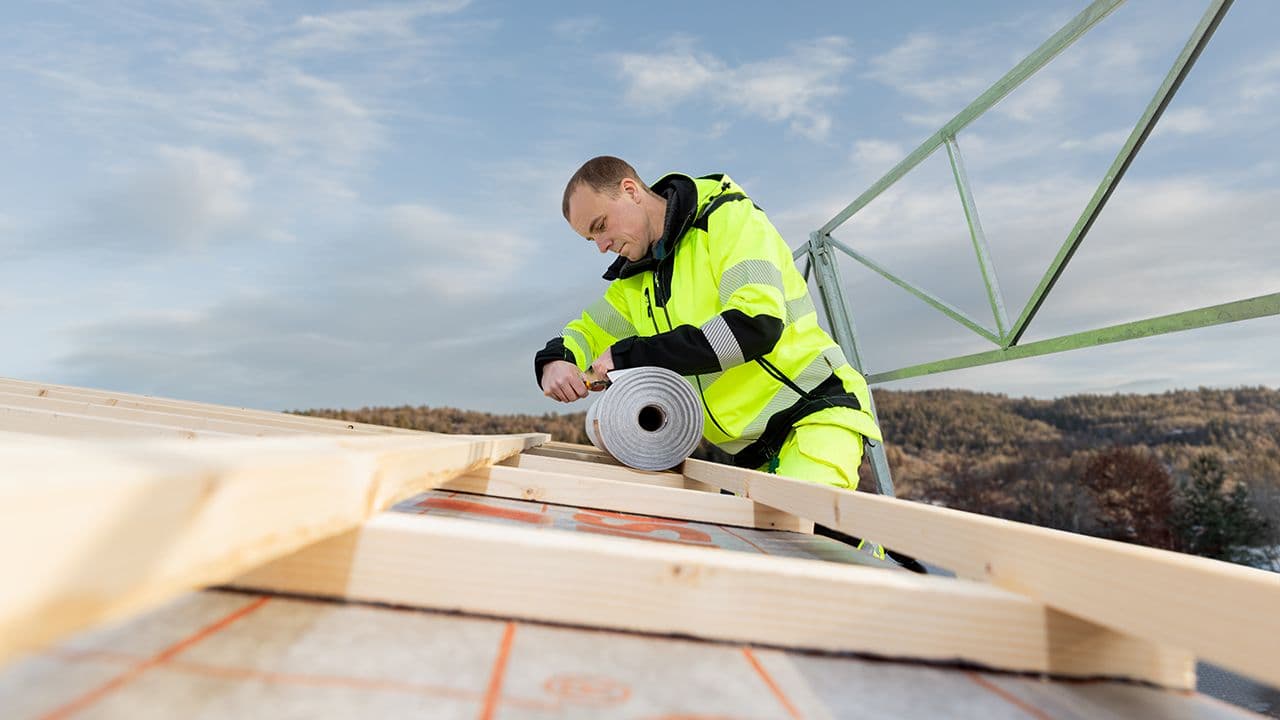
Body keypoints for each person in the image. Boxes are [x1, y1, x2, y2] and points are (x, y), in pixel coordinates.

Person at [534, 155, 883, 494]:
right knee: (765, 545)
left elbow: (754, 324)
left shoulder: (728, 220)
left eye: (601, 226)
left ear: (631, 191)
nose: (601, 246)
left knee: (800, 537)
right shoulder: (635, 284)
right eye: (590, 239)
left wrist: (632, 357)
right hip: (746, 455)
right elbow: (587, 332)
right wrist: (556, 360)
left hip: (813, 414)